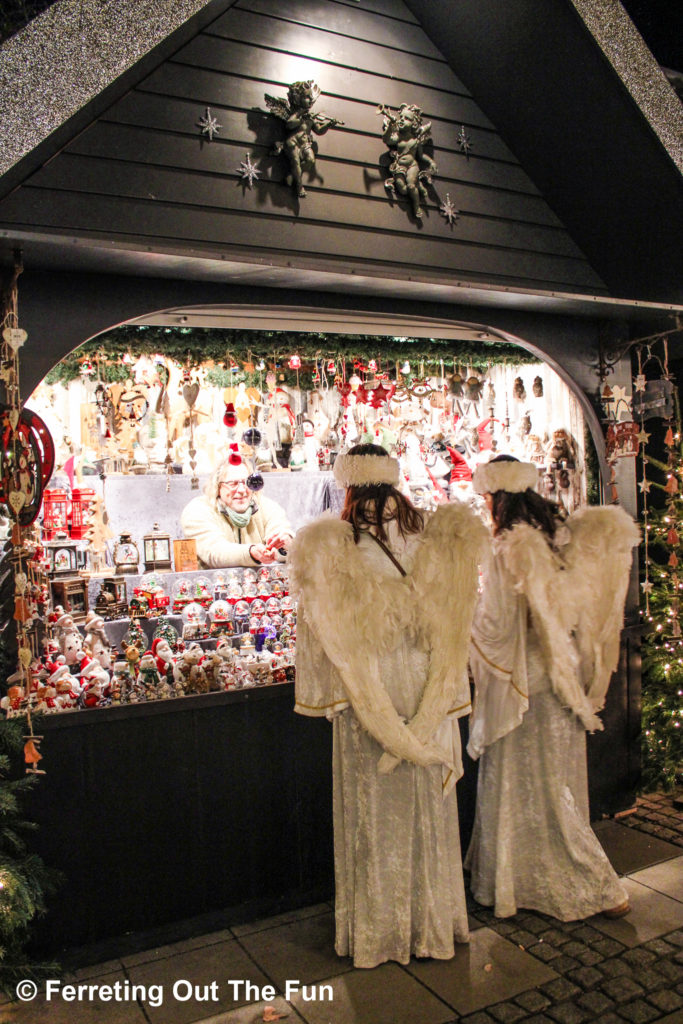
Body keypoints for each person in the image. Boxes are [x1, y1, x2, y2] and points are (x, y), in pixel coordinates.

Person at [289, 443, 488, 968]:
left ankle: (380, 935)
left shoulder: (333, 544)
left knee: (373, 808)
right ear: (395, 481)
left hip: (369, 684)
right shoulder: (433, 535)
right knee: (428, 806)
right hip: (426, 681)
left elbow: (319, 631)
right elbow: (459, 619)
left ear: (346, 485)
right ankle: (434, 926)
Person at [465, 454, 640, 921]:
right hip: (561, 675)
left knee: (528, 783)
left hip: (523, 679)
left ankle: (598, 884)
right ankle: (529, 878)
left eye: (485, 496)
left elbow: (499, 623)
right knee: (556, 778)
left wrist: (464, 631)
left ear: (496, 498)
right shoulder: (560, 535)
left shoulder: (510, 546)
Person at [180, 451, 293, 567]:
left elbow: (279, 531)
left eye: (246, 483)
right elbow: (216, 553)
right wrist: (251, 552)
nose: (242, 490)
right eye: (233, 484)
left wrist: (286, 545)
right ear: (218, 486)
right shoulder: (198, 510)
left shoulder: (268, 507)